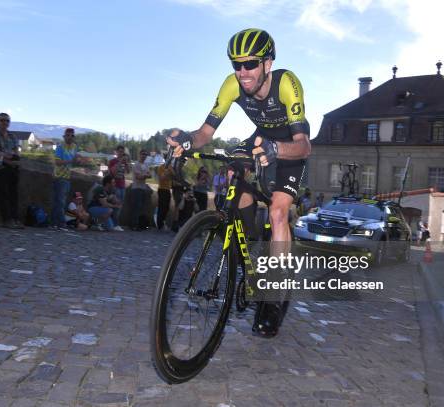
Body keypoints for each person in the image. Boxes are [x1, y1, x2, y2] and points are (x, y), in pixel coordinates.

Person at [167, 28, 311, 337]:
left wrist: (278, 151)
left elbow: (304, 145)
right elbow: (205, 132)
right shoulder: (232, 84)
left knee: (277, 212)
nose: (242, 72)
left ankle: (273, 292)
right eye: (236, 64)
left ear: (267, 64)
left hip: (289, 148)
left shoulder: (287, 83)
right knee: (235, 178)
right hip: (259, 140)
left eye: (250, 64)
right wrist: (188, 140)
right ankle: (250, 259)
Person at [0, 113, 23, 228]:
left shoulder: (12, 136)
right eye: (2, 120)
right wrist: (8, 158)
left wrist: (10, 157)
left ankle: (15, 219)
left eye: (7, 120)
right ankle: (6, 220)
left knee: (14, 194)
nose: (5, 122)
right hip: (0, 167)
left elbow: (16, 152)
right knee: (3, 194)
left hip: (13, 168)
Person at [51, 128, 82, 229]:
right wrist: (70, 161)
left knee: (59, 201)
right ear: (64, 136)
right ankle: (61, 223)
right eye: (68, 135)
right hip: (59, 176)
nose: (70, 137)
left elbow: (75, 159)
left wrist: (79, 160)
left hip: (68, 177)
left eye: (72, 135)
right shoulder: (60, 147)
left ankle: (54, 223)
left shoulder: (74, 147)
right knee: (60, 201)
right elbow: (57, 162)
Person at [130, 149, 151, 231]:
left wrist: (143, 175)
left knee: (141, 208)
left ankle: (138, 224)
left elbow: (149, 175)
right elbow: (138, 177)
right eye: (143, 154)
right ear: (140, 155)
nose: (144, 156)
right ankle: (133, 225)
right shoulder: (136, 165)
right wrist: (145, 175)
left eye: (146, 154)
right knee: (136, 207)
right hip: (136, 188)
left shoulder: (146, 165)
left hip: (143, 188)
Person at [156, 163, 174, 230]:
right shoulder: (161, 167)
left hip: (168, 189)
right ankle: (159, 224)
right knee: (161, 207)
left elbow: (174, 176)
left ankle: (162, 222)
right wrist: (167, 172)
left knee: (166, 207)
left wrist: (171, 171)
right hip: (162, 189)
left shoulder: (171, 167)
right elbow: (161, 178)